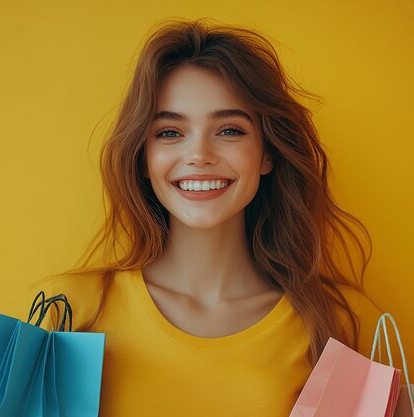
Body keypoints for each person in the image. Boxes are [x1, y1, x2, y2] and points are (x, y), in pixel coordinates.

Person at [41, 18, 372, 417]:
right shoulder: (66, 309)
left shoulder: (335, 321)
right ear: (144, 158)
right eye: (169, 132)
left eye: (230, 130)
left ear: (267, 154)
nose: (199, 154)